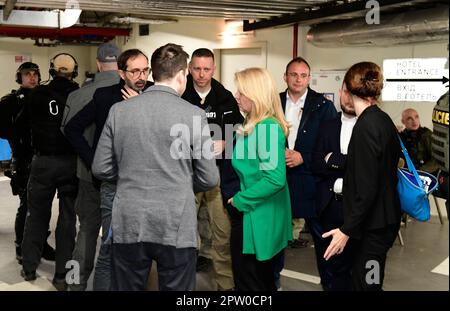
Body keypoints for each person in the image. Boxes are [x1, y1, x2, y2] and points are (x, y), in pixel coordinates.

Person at [91, 43, 218, 291]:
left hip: (130, 219)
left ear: (152, 73)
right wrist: (181, 181)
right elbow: (209, 177)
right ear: (182, 74)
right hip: (175, 221)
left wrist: (129, 174)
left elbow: (101, 167)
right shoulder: (194, 114)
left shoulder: (119, 111)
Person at [64, 48, 152, 290]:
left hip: (146, 184)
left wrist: (141, 104)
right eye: (135, 71)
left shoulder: (155, 93)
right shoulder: (104, 96)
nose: (141, 76)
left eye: (145, 70)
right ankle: (75, 284)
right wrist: (94, 160)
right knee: (105, 245)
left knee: (139, 248)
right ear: (121, 72)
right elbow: (71, 128)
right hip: (109, 183)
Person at [322, 61, 402, 291]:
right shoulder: (382, 119)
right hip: (382, 221)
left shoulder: (365, 126)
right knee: (371, 282)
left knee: (366, 285)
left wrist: (346, 230)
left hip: (373, 227)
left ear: (347, 89)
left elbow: (366, 188)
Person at [60, 42, 121, 291]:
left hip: (86, 175)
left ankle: (75, 284)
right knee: (116, 236)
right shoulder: (128, 93)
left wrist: (91, 158)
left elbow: (67, 129)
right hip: (120, 176)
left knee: (86, 231)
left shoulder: (77, 95)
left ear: (98, 64)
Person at [182, 48, 242, 290]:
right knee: (183, 234)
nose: (201, 74)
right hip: (187, 174)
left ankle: (226, 287)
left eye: (207, 69)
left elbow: (239, 128)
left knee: (222, 234)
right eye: (196, 68)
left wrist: (228, 141)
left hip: (217, 176)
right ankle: (181, 285)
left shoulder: (225, 97)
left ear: (214, 69)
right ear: (189, 68)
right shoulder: (179, 93)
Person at [227, 67, 292, 291]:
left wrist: (240, 200)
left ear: (255, 95)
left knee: (252, 284)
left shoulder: (267, 128)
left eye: (241, 91)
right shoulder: (253, 126)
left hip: (258, 216)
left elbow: (274, 180)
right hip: (254, 214)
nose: (236, 95)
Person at [20, 54, 80, 291]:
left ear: (51, 70)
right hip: (70, 163)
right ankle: (62, 275)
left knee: (36, 216)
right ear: (73, 72)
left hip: (43, 163)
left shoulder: (37, 95)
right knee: (67, 220)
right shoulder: (79, 95)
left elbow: (21, 126)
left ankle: (30, 266)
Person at [0, 62, 56, 265]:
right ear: (19, 78)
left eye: (35, 74)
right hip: (23, 159)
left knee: (44, 205)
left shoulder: (45, 97)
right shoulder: (10, 102)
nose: (32, 77)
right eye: (27, 74)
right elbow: (3, 129)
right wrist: (20, 132)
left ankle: (41, 244)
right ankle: (21, 245)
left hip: (44, 157)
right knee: (27, 206)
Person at [280, 57, 338, 248]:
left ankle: (328, 277)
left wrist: (303, 157)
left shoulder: (323, 105)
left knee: (322, 237)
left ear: (309, 78)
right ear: (285, 77)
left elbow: (332, 147)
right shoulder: (274, 102)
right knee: (277, 237)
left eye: (303, 75)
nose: (298, 79)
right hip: (279, 177)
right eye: (294, 75)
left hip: (311, 179)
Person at [310, 82, 357, 291]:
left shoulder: (372, 126)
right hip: (330, 206)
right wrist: (348, 163)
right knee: (329, 269)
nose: (348, 98)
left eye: (354, 93)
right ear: (340, 92)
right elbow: (317, 163)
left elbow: (369, 166)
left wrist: (335, 160)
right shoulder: (328, 124)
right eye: (346, 92)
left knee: (359, 271)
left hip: (358, 209)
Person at [399, 108, 438, 174]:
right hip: (408, 176)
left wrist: (420, 171)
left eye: (416, 117)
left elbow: (437, 159)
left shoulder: (427, 135)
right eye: (409, 118)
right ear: (403, 121)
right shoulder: (400, 137)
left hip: (427, 175)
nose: (414, 121)